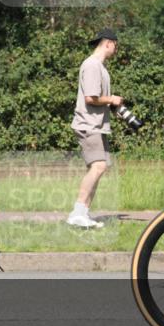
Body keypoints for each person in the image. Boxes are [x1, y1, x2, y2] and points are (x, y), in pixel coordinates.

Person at [67, 28, 123, 229]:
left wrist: (113, 107)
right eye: (115, 45)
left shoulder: (100, 67)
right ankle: (77, 212)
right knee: (98, 166)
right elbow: (91, 98)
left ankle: (83, 213)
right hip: (88, 125)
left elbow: (97, 99)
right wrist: (112, 99)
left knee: (98, 167)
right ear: (108, 43)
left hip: (97, 125)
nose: (116, 49)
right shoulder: (92, 65)